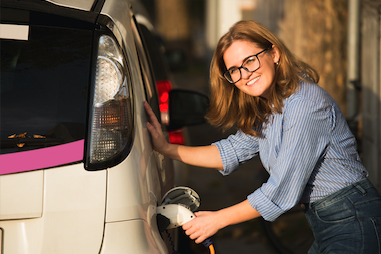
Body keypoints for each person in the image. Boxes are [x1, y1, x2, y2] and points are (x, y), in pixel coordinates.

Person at [144, 20, 381, 253]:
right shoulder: (272, 105)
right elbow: (231, 151)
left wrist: (218, 219)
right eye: (234, 70)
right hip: (329, 221)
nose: (245, 74)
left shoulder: (303, 105)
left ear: (274, 53)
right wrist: (166, 148)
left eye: (250, 60)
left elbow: (281, 189)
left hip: (352, 218)